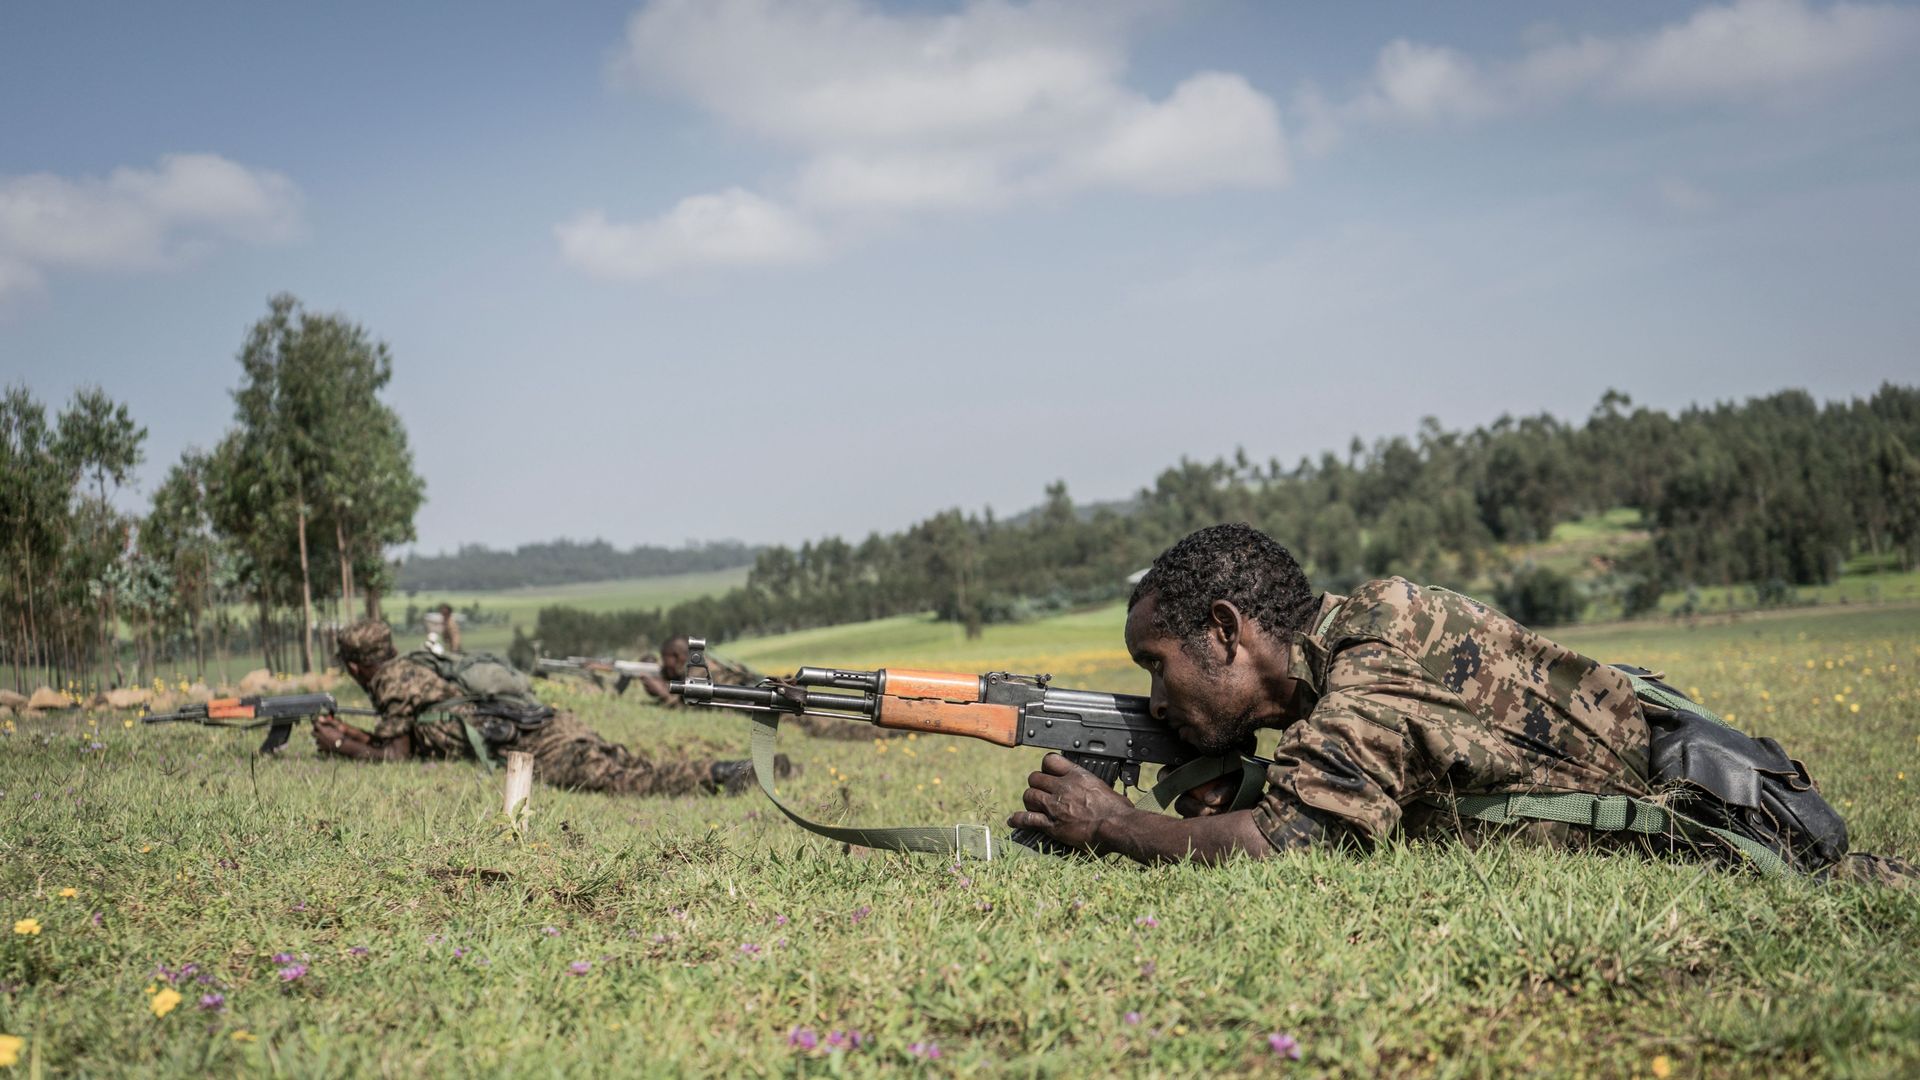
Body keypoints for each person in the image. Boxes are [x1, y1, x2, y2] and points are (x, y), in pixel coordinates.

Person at [1009, 523, 1910, 884]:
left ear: (1228, 630)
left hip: (1728, 852)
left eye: (1158, 665)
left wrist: (1112, 825)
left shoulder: (1376, 661)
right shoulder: (1367, 625)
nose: (1154, 696)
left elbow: (1282, 846)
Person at [314, 620, 787, 796]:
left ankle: (724, 775)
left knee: (626, 780)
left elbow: (393, 754)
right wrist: (352, 739)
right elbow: (402, 739)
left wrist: (337, 744)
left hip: (536, 740)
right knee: (628, 767)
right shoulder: (414, 668)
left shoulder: (393, 682)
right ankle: (726, 772)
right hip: (539, 725)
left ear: (357, 667)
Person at [637, 634, 885, 741]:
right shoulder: (709, 662)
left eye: (665, 658)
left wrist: (663, 694)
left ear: (677, 655)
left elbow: (696, 705)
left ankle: (890, 732)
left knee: (831, 727)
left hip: (767, 704)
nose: (663, 664)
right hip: (767, 698)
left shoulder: (698, 670)